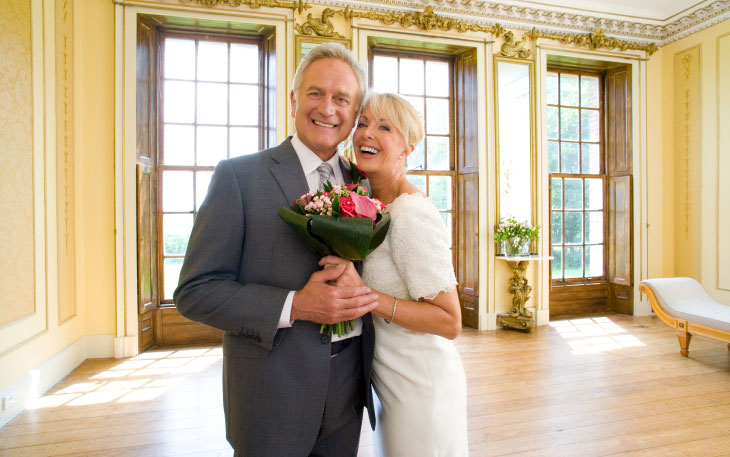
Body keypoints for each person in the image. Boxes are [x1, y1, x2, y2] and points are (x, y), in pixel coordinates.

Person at [174, 43, 379, 457]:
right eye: (315, 93)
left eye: (342, 99)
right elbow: (195, 292)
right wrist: (297, 305)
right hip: (270, 393)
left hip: (348, 388)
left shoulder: (366, 183)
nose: (328, 108)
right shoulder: (238, 176)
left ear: (355, 112)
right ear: (293, 100)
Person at [321, 93, 468, 456]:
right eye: (363, 123)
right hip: (389, 383)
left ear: (407, 147)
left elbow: (450, 321)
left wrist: (368, 298)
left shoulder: (411, 215)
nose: (367, 133)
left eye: (384, 127)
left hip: (420, 383)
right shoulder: (368, 203)